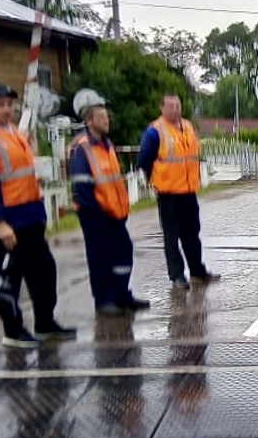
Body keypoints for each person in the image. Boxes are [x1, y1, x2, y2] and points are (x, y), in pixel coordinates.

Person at [0, 83, 76, 348]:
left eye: (9, 104)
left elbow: (23, 172)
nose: (6, 109)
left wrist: (33, 152)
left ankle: (44, 323)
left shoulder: (15, 133)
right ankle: (13, 331)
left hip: (29, 215)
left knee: (43, 272)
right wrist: (0, 223)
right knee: (9, 279)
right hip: (7, 220)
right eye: (0, 104)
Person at [67, 99, 150, 316]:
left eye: (107, 117)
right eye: (101, 118)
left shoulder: (107, 144)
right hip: (95, 214)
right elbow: (82, 186)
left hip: (114, 213)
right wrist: (97, 212)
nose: (106, 121)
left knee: (123, 252)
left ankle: (121, 294)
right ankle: (104, 301)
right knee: (100, 258)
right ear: (89, 120)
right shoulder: (82, 146)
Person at [137, 94, 220, 289]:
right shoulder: (155, 131)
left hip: (188, 191)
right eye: (171, 106)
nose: (175, 109)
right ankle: (177, 276)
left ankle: (197, 272)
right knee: (171, 236)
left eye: (178, 105)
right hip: (168, 193)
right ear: (162, 108)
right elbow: (144, 160)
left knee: (192, 233)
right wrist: (155, 180)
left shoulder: (188, 126)